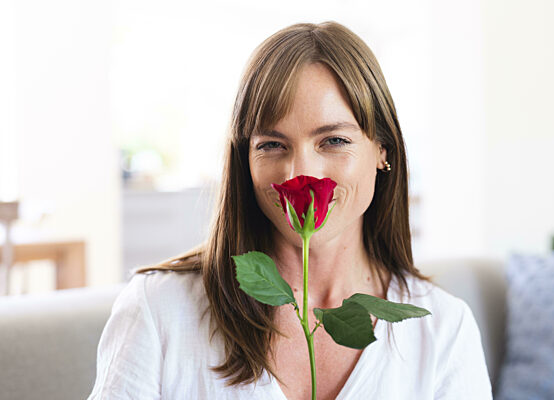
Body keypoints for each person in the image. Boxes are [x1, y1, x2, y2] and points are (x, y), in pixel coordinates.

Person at [89, 21, 492, 399]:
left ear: (382, 150)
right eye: (271, 145)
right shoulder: (160, 308)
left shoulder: (441, 328)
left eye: (333, 141)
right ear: (244, 161)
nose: (299, 172)